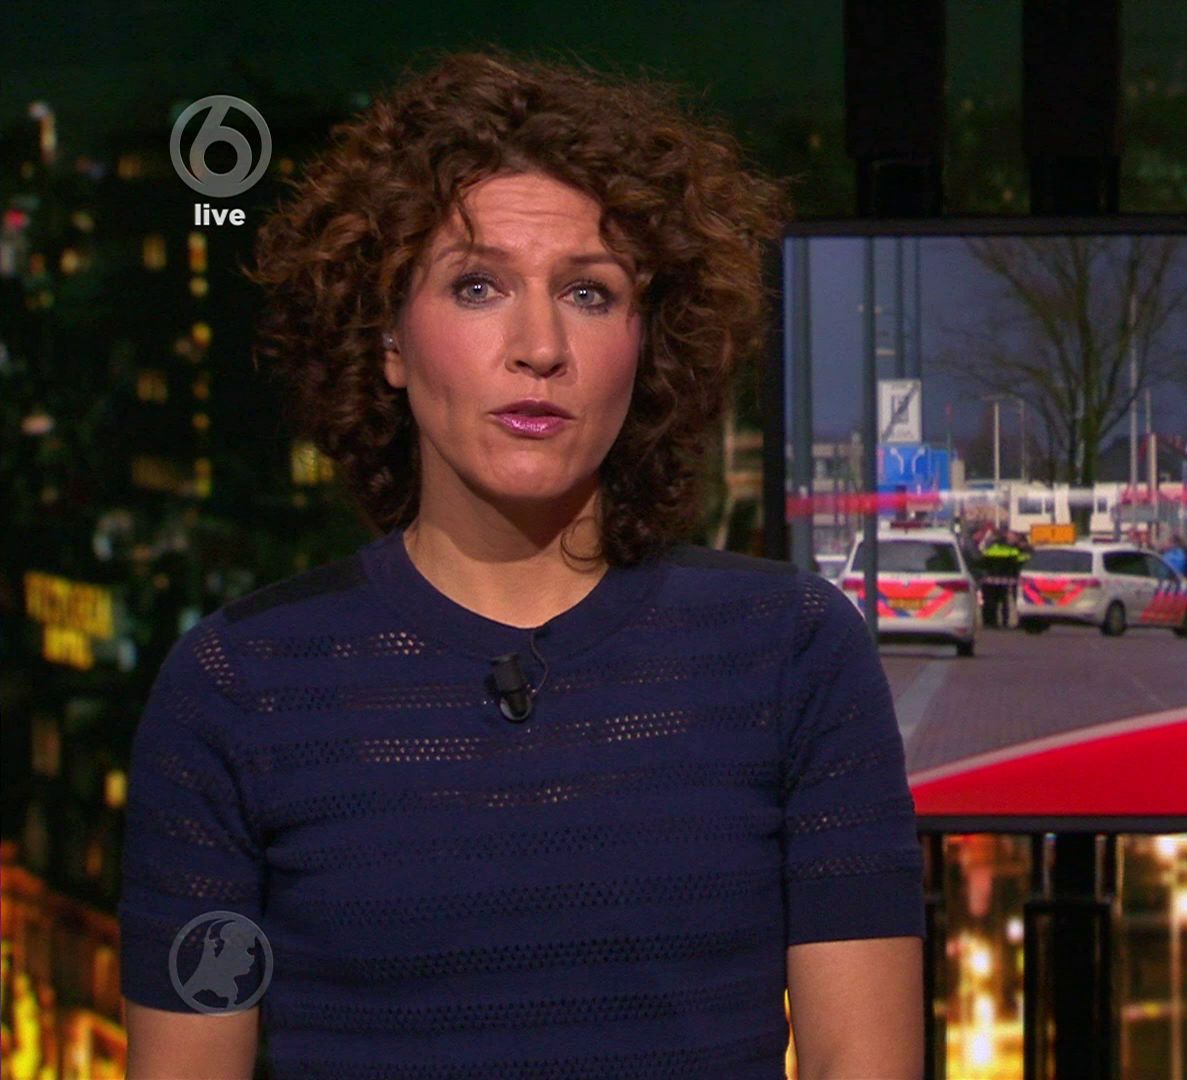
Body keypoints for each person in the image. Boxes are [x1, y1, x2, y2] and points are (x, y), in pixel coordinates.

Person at [118, 51, 922, 1079]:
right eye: (478, 286)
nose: (539, 345)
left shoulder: (793, 654)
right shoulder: (236, 688)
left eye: (589, 292)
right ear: (390, 340)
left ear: (649, 342)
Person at [978, 528, 1025, 628]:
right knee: (1004, 602)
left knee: (990, 602)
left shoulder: (991, 549)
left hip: (990, 579)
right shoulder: (1012, 550)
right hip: (1006, 580)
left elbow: (983, 563)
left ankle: (990, 622)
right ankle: (1004, 622)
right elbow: (1016, 564)